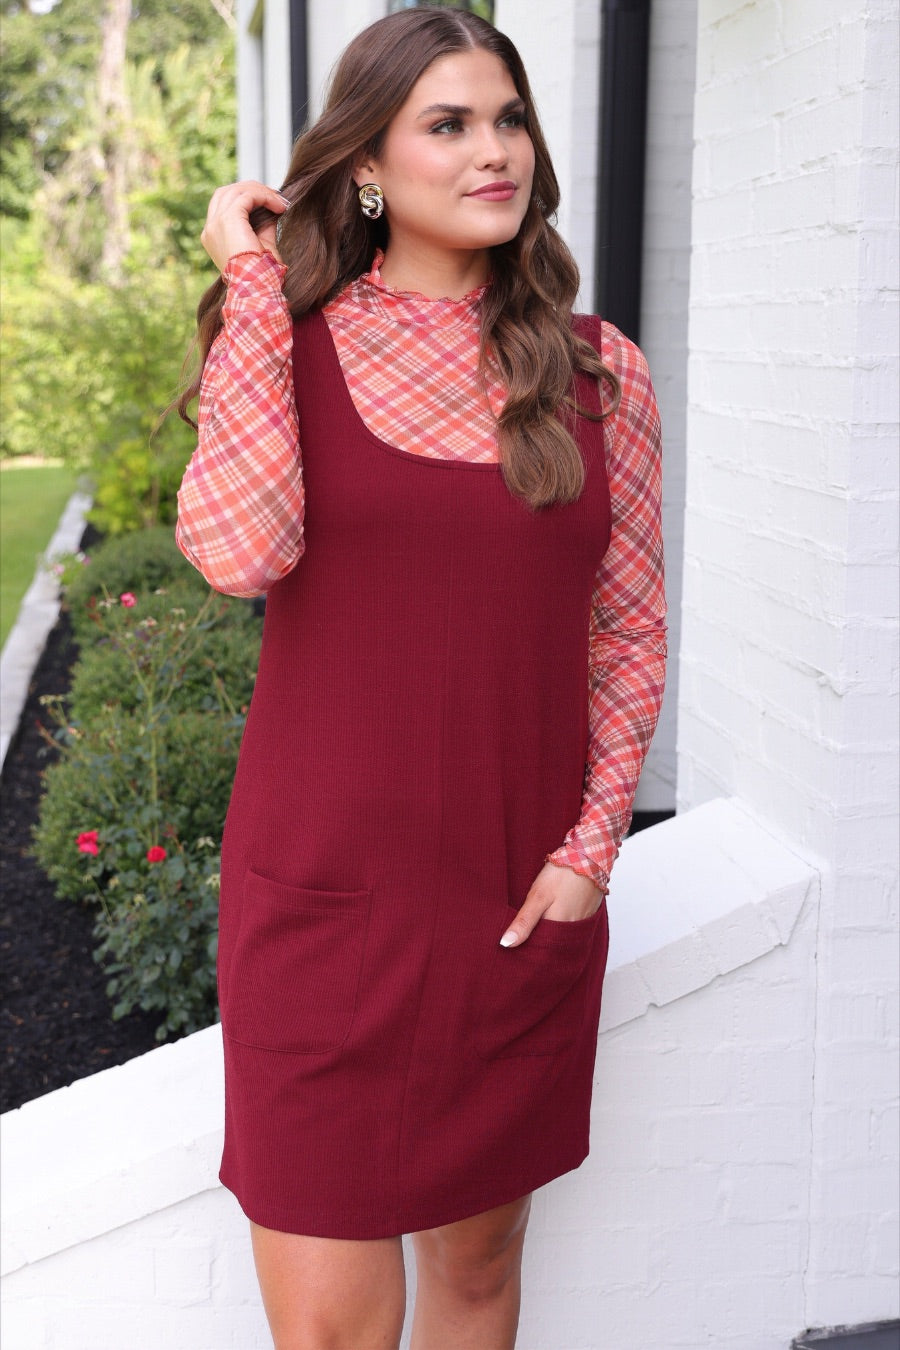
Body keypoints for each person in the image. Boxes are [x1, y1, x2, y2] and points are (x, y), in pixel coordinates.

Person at [175, 7, 666, 1348]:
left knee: (480, 1276)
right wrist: (255, 288)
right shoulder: (290, 340)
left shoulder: (597, 373)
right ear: (368, 166)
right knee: (330, 1333)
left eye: (509, 119)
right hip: (321, 910)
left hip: (513, 900)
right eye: (447, 124)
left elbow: (627, 633)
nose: (494, 150)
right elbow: (239, 552)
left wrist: (587, 854)